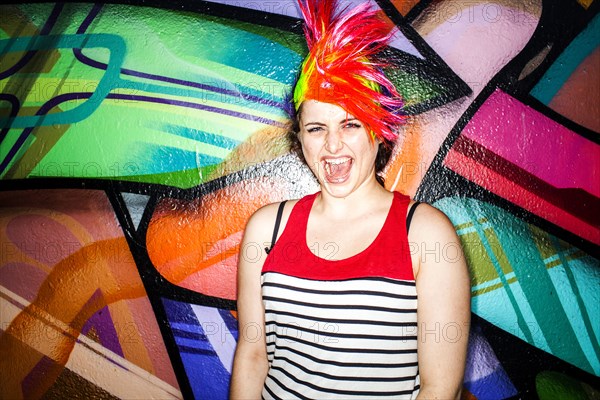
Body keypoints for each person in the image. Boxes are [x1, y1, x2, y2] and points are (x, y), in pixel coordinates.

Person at [230, 0, 471, 398]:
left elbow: (439, 389)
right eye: (316, 128)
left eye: (351, 124)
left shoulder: (426, 235)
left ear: (379, 132)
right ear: (300, 138)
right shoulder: (266, 229)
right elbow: (253, 356)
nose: (332, 145)